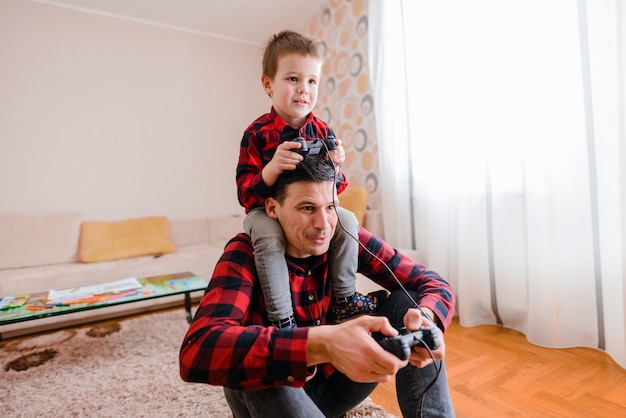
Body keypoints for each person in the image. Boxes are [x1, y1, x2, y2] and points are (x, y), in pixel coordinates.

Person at [180, 154, 456, 417]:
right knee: (262, 365)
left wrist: (427, 318)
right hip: (270, 398)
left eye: (331, 207)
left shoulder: (343, 236)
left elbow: (431, 282)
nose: (323, 224)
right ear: (273, 208)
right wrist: (322, 344)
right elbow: (196, 350)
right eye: (307, 208)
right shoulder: (245, 252)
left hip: (334, 388)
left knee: (409, 302)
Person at [236, 30, 384, 329]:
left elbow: (335, 189)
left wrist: (337, 167)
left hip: (310, 206)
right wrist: (272, 168)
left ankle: (344, 299)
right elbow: (245, 195)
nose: (304, 89)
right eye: (293, 79)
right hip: (263, 211)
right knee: (267, 235)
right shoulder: (256, 133)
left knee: (349, 220)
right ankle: (282, 319)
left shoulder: (323, 131)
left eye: (312, 81)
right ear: (268, 84)